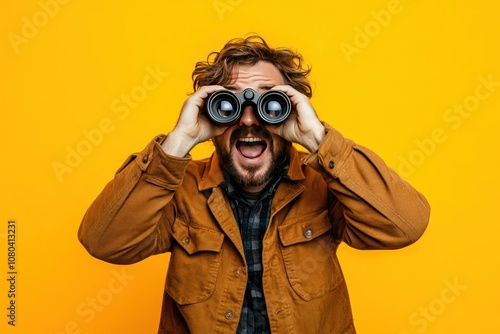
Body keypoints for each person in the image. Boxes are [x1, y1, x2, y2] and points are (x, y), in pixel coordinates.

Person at [78, 35, 430, 334]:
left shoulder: (324, 185)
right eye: (228, 102)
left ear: (291, 108)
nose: (249, 119)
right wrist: (179, 141)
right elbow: (104, 242)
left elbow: (405, 225)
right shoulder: (178, 189)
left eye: (269, 102)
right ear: (210, 111)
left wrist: (318, 139)